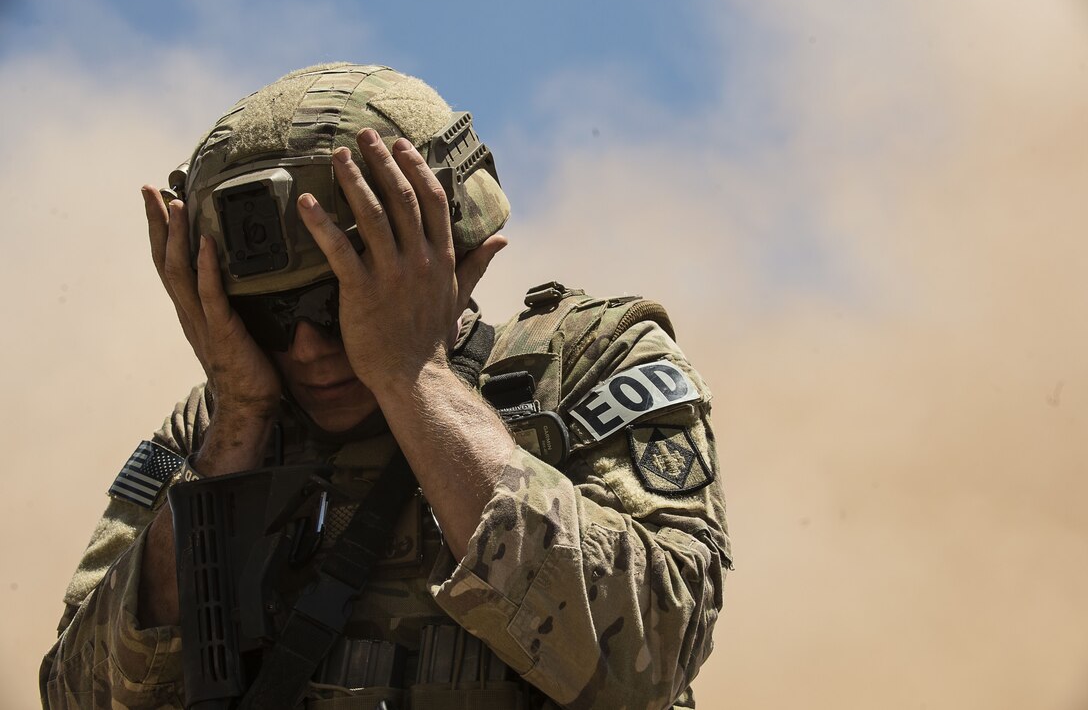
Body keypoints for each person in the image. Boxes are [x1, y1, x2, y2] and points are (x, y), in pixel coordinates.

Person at [39, 63, 732, 710]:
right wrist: (239, 421)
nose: (306, 347)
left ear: (458, 261)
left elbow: (651, 652)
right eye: (268, 316)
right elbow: (79, 693)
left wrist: (416, 380)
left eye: (337, 302)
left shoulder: (586, 362)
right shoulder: (212, 433)